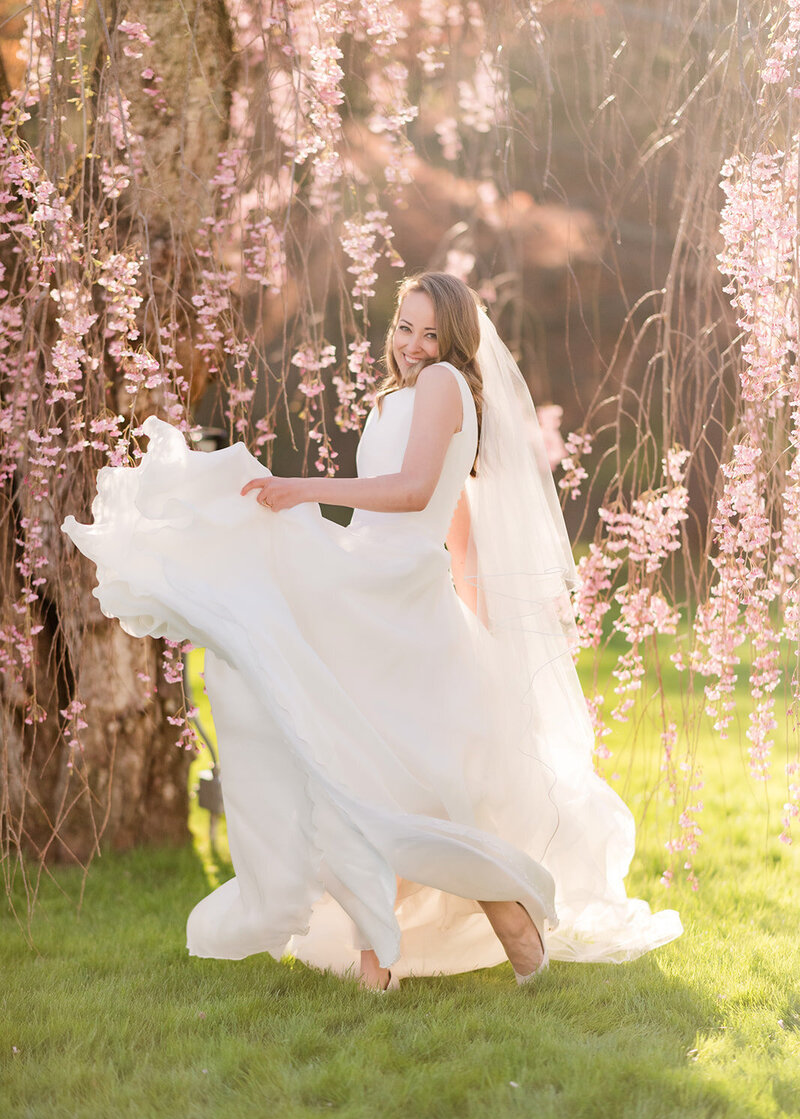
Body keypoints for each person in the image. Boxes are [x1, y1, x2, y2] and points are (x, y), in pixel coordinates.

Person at [63, 272, 681, 990]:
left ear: (453, 343)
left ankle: (501, 917)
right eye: (404, 328)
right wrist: (474, 617)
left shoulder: (447, 383)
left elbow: (417, 492)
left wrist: (307, 489)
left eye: (430, 334)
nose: (414, 346)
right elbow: (455, 520)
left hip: (395, 593)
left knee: (392, 770)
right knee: (351, 761)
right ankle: (378, 957)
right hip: (375, 585)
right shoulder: (402, 398)